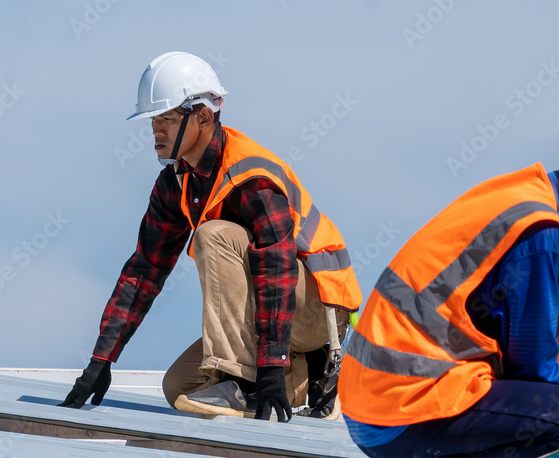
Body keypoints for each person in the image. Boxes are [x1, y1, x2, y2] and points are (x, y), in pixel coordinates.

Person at [59, 51, 362, 421]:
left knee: (212, 235)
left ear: (203, 116)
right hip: (276, 322)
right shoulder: (176, 182)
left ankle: (246, 384)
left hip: (318, 310)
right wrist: (101, 359)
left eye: (168, 118)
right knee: (180, 388)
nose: (156, 129)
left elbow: (277, 271)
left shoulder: (251, 178)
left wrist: (265, 371)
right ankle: (318, 379)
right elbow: (144, 272)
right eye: (154, 119)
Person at [340, 163, 559, 457]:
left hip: (371, 405)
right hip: (402, 413)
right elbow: (535, 370)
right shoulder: (540, 234)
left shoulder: (521, 196)